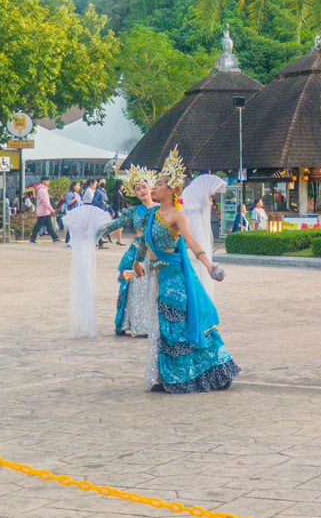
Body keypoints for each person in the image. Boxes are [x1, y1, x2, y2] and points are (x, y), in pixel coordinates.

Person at [131, 149, 239, 393]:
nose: (153, 187)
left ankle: (199, 374)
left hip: (175, 278)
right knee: (164, 327)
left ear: (171, 190)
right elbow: (144, 242)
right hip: (158, 276)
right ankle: (169, 376)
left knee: (176, 325)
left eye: (158, 184)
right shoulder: (151, 214)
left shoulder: (177, 215)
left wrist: (210, 266)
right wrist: (137, 262)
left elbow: (191, 242)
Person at [97, 167, 159, 337]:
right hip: (137, 254)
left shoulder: (161, 209)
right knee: (134, 288)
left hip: (156, 253)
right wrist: (98, 229)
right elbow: (116, 223)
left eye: (144, 187)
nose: (141, 191)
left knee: (154, 289)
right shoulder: (133, 211)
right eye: (137, 189)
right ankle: (139, 324)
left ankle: (155, 324)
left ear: (151, 187)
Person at [29, 178, 60, 243]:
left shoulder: (43, 190)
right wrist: (51, 209)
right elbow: (45, 201)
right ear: (43, 181)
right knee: (39, 225)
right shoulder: (42, 190)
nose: (48, 182)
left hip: (45, 211)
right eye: (47, 181)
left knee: (48, 225)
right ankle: (33, 238)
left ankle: (55, 238)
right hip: (43, 211)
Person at [63, 181, 83, 246]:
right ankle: (68, 241)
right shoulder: (70, 194)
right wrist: (74, 198)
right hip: (72, 212)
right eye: (77, 185)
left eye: (79, 185)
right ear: (73, 186)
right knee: (72, 227)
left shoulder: (78, 194)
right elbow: (69, 203)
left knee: (75, 227)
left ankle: (71, 240)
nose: (78, 187)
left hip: (78, 212)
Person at [112, 180, 127, 246]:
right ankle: (119, 240)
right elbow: (117, 203)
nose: (123, 187)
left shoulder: (119, 193)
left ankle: (111, 235)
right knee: (120, 226)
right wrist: (118, 211)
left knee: (121, 227)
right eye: (122, 185)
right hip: (118, 212)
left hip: (120, 211)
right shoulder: (117, 194)